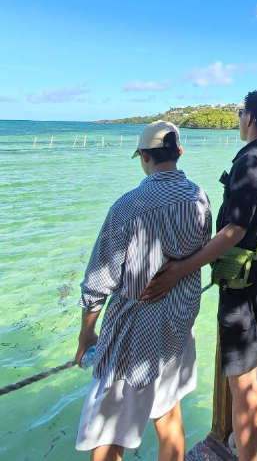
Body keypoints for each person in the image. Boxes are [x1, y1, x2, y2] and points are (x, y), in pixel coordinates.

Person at [140, 91, 257, 461]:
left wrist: (181, 268)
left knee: (241, 384)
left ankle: (252, 454)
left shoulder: (249, 161)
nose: (239, 118)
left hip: (243, 284)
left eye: (240, 112)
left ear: (249, 118)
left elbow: (234, 230)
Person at [75, 120, 212, 461]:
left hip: (134, 337)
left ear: (144, 156)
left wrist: (86, 336)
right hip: (178, 328)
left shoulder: (128, 207)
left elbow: (97, 283)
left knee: (107, 437)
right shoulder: (200, 198)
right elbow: (201, 250)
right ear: (179, 152)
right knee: (169, 420)